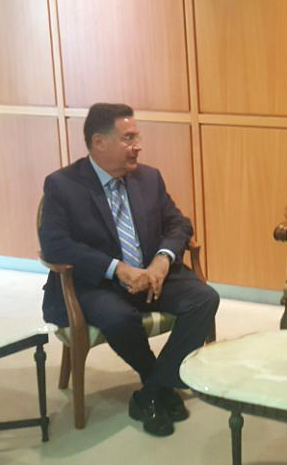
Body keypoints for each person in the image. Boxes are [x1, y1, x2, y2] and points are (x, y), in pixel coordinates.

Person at [39, 103, 219, 436]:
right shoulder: (63, 185)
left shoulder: (148, 178)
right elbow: (54, 245)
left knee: (205, 299)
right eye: (129, 138)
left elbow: (179, 223)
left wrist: (162, 260)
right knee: (119, 318)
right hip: (97, 284)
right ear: (99, 142)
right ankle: (159, 383)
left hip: (151, 275)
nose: (138, 145)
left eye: (137, 137)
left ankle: (152, 391)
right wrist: (117, 269)